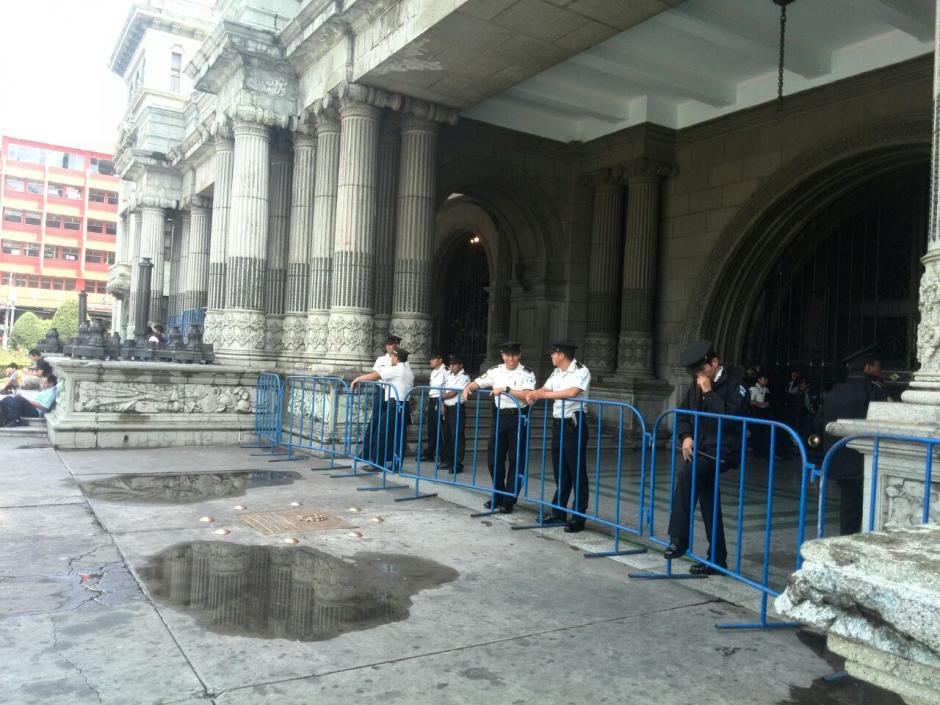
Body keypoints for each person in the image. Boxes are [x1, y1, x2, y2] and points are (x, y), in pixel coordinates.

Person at [664, 341, 748, 576]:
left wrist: (710, 393)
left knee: (687, 474)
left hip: (722, 451)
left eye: (702, 370)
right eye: (695, 372)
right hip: (700, 449)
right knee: (708, 499)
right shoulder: (695, 386)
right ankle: (718, 560)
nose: (698, 376)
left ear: (714, 363)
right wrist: (686, 436)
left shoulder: (736, 386)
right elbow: (683, 414)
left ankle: (679, 538)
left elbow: (731, 418)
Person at [815, 344, 888, 535]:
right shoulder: (874, 390)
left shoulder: (835, 390)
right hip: (864, 458)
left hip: (839, 456)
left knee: (849, 503)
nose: (880, 369)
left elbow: (819, 422)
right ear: (867, 367)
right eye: (877, 365)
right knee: (869, 503)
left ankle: (847, 535)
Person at [462, 342, 536, 513]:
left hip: (519, 417)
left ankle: (509, 499)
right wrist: (468, 388)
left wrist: (506, 390)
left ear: (520, 355)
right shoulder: (496, 371)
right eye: (508, 355)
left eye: (514, 355)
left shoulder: (526, 373)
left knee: (516, 459)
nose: (511, 359)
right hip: (500, 417)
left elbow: (528, 396)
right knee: (494, 459)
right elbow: (478, 383)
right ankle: (498, 493)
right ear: (502, 355)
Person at [526, 342, 591, 533]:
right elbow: (546, 388)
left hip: (574, 424)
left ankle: (578, 517)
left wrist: (543, 396)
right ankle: (559, 512)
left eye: (553, 354)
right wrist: (535, 394)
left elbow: (572, 392)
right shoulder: (557, 373)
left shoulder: (581, 370)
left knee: (577, 472)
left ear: (561, 355)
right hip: (558, 424)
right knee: (561, 470)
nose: (551, 357)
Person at [352, 347, 415, 467]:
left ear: (397, 358)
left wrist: (357, 379)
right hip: (404, 405)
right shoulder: (408, 372)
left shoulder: (397, 369)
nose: (391, 358)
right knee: (398, 436)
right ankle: (396, 464)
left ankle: (377, 463)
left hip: (394, 405)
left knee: (381, 433)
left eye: (392, 356)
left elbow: (376, 375)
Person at [441, 354, 470, 473]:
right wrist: (442, 402)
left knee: (457, 435)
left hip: (457, 408)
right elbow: (443, 389)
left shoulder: (464, 377)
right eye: (450, 365)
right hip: (447, 408)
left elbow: (453, 393)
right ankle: (448, 461)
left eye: (454, 365)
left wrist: (440, 396)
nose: (452, 367)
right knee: (447, 435)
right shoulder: (448, 375)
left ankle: (457, 464)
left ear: (460, 366)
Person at [424, 351, 448, 463]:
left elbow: (446, 388)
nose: (431, 361)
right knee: (431, 429)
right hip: (432, 400)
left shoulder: (446, 371)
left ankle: (443, 456)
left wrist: (443, 403)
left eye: (433, 359)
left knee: (440, 430)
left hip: (440, 401)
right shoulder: (433, 372)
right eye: (430, 359)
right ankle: (430, 453)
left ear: (440, 360)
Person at [748, 371, 773, 459]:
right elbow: (750, 401)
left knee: (764, 433)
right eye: (764, 379)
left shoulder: (766, 389)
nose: (766, 381)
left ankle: (763, 452)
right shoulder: (753, 389)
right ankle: (756, 452)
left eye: (767, 379)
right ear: (759, 379)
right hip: (756, 412)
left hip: (765, 413)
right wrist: (761, 404)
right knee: (756, 433)